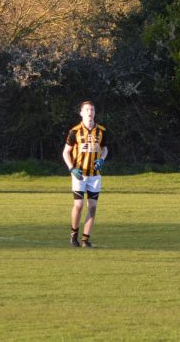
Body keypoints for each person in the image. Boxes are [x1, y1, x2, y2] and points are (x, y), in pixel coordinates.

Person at [62, 100, 107, 248]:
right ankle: (73, 234)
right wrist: (71, 168)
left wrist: (101, 159)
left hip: (95, 175)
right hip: (79, 174)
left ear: (95, 112)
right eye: (87, 109)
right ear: (81, 113)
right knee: (79, 204)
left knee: (92, 207)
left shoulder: (101, 131)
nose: (90, 112)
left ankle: (85, 240)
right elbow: (66, 152)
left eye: (92, 110)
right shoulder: (74, 131)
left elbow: (105, 149)